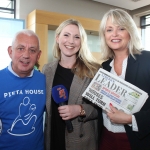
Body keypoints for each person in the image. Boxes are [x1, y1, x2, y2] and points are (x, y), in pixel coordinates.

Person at [42, 19, 102, 150]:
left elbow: (101, 110)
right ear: (57, 38)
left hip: (80, 142)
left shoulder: (93, 71)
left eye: (76, 37)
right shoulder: (47, 70)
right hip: (53, 139)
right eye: (66, 35)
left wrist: (80, 109)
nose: (71, 41)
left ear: (81, 42)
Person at [99, 9, 150, 150]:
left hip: (137, 140)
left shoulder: (147, 60)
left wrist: (130, 119)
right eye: (109, 30)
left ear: (130, 32)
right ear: (104, 35)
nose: (114, 34)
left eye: (121, 28)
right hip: (106, 138)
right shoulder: (104, 67)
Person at [0, 29, 46, 150]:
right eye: (20, 48)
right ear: (10, 51)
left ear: (38, 55)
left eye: (32, 50)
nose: (26, 55)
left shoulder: (45, 81)